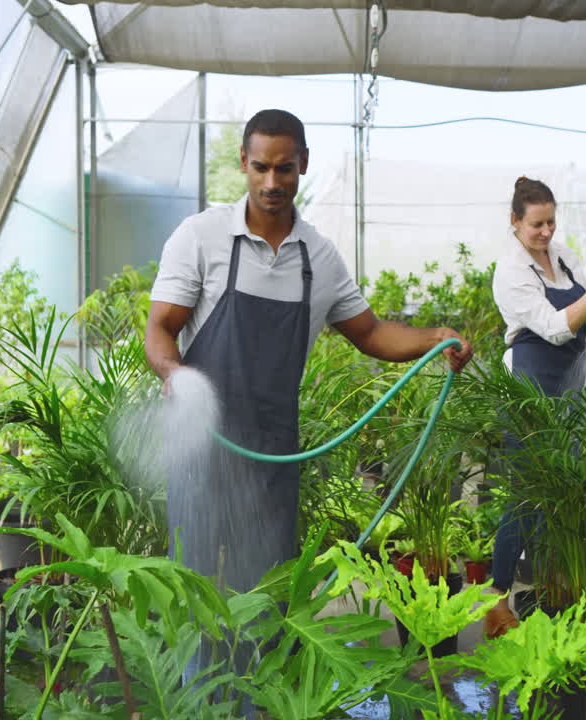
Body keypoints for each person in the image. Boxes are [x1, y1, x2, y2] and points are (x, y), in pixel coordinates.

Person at [144, 109, 472, 597]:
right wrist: (173, 373)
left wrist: (436, 337)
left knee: (268, 591)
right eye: (260, 167)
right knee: (194, 591)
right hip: (203, 446)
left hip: (275, 452)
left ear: (303, 163)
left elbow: (372, 333)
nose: (271, 181)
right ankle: (195, 678)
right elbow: (160, 328)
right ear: (243, 163)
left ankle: (267, 676)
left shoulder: (318, 257)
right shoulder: (202, 236)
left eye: (284, 168)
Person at [482, 176, 586, 638]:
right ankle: (495, 596)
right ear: (514, 222)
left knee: (561, 490)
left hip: (569, 381)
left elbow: (585, 311)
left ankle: (549, 590)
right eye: (536, 225)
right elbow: (554, 328)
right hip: (530, 384)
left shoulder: (566, 258)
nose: (546, 232)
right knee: (528, 492)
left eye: (551, 221)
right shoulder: (509, 273)